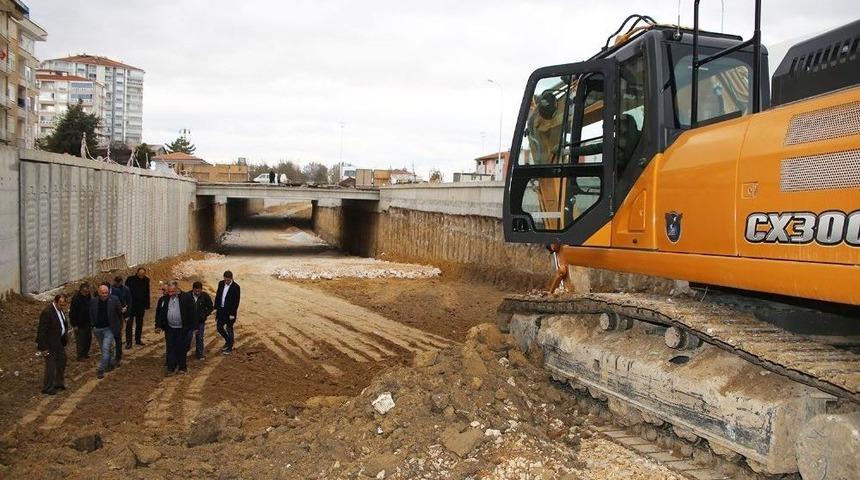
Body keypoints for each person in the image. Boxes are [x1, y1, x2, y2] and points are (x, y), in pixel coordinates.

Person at [155, 281, 196, 376]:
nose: (170, 294)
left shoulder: (187, 297)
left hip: (182, 328)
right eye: (169, 291)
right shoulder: (165, 299)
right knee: (170, 347)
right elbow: (160, 314)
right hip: (170, 328)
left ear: (177, 289)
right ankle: (171, 367)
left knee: (181, 347)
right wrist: (158, 326)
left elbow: (193, 312)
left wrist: (194, 327)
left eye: (172, 291)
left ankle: (182, 367)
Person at [36, 293, 70, 395]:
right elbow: (41, 331)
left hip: (58, 342)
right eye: (61, 304)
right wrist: (43, 348)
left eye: (64, 304)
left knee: (62, 360)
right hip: (49, 344)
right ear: (55, 302)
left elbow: (62, 324)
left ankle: (58, 383)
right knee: (51, 366)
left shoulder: (60, 311)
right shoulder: (48, 312)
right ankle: (47, 387)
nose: (62, 306)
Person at [89, 284, 122, 379]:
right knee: (105, 349)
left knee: (105, 348)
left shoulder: (114, 300)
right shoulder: (93, 301)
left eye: (106, 293)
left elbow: (119, 313)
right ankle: (110, 363)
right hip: (98, 330)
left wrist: (119, 325)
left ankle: (101, 369)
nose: (104, 295)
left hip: (109, 329)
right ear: (99, 293)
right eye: (102, 293)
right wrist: (93, 326)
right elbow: (90, 314)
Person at [214, 270, 241, 355]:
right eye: (225, 280)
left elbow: (236, 302)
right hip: (221, 310)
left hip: (229, 313)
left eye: (228, 280)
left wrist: (232, 314)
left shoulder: (236, 287)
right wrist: (216, 308)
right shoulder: (221, 283)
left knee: (229, 329)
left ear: (231, 278)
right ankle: (228, 341)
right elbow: (218, 295)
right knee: (219, 327)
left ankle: (229, 347)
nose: (226, 281)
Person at [125, 267, 151, 347]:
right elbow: (126, 292)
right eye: (140, 274)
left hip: (140, 305)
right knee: (129, 324)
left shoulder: (146, 280)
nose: (141, 276)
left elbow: (147, 292)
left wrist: (147, 304)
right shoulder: (130, 279)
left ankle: (138, 339)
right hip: (131, 306)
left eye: (143, 275)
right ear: (137, 273)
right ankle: (129, 342)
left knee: (139, 323)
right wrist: (125, 303)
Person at [110, 277, 132, 365]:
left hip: (119, 315)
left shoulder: (124, 290)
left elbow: (126, 302)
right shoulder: (112, 290)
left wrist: (126, 314)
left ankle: (118, 354)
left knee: (118, 334)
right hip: (113, 316)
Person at [190, 281, 214, 360]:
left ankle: (200, 354)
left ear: (201, 289)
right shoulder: (187, 296)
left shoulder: (205, 296)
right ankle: (183, 352)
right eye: (196, 291)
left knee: (199, 337)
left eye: (199, 291)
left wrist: (205, 315)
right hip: (189, 321)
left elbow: (210, 307)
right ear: (193, 289)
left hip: (200, 321)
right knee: (187, 337)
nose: (197, 292)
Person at [69, 283, 92, 360]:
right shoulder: (76, 298)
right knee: (80, 339)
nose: (87, 292)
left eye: (88, 291)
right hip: (79, 323)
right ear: (82, 290)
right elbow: (72, 312)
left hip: (88, 321)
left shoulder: (88, 296)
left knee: (88, 338)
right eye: (86, 291)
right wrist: (74, 324)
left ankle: (85, 353)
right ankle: (80, 355)